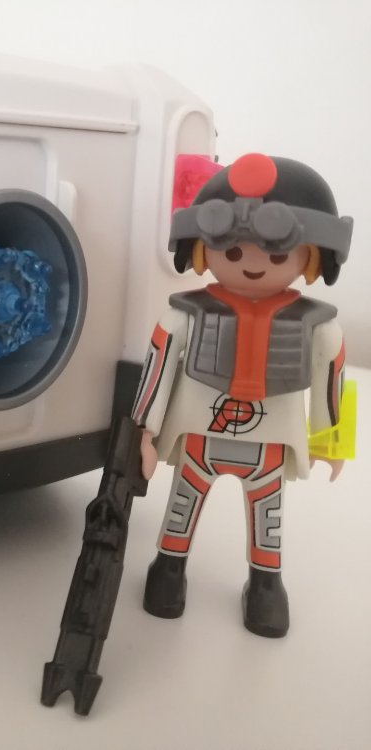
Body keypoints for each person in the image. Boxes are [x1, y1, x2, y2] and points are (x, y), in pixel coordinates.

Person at [131, 153, 353, 637]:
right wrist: (144, 433)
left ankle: (266, 583)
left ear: (313, 256)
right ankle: (169, 567)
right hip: (198, 436)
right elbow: (158, 367)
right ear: (201, 249)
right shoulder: (184, 316)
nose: (252, 264)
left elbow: (334, 376)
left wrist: (332, 442)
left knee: (267, 515)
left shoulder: (318, 326)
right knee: (182, 504)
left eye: (276, 256)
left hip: (269, 443)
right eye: (231, 252)